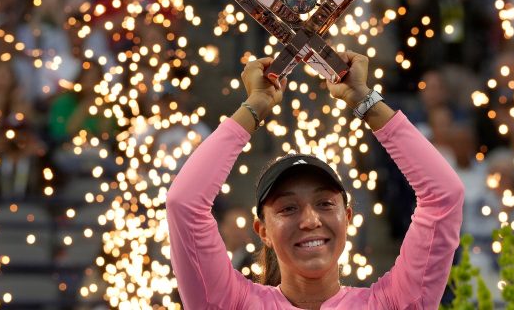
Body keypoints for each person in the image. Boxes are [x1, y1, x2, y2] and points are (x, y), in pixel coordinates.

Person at [166, 51, 464, 309]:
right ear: (262, 231)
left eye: (324, 203)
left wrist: (364, 99)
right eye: (287, 208)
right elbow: (184, 204)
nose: (310, 220)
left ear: (347, 218)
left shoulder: (391, 304)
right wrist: (255, 105)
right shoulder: (232, 304)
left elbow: (445, 195)